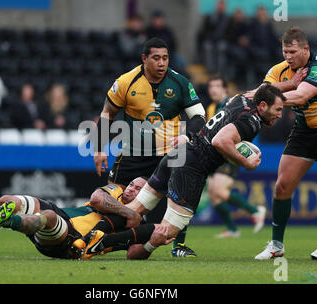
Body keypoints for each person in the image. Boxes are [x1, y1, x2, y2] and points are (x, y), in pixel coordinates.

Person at [83, 84, 285, 260]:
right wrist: (245, 163)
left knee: (134, 209)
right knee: (166, 231)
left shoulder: (241, 99)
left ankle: (88, 236)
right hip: (192, 168)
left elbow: (254, 93)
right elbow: (220, 141)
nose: (280, 115)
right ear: (262, 106)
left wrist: (290, 84)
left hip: (179, 154)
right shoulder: (252, 121)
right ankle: (103, 243)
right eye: (277, 109)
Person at [93, 37, 207, 257]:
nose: (162, 63)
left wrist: (186, 135)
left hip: (168, 154)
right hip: (132, 154)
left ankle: (178, 246)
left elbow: (199, 116)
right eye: (156, 58)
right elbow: (107, 113)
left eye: (165, 58)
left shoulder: (180, 83)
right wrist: (99, 148)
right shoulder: (126, 82)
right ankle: (101, 239)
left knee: (183, 195)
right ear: (144, 58)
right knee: (114, 200)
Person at [252, 27, 317, 261]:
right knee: (282, 186)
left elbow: (300, 96)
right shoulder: (279, 70)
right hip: (303, 130)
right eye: (285, 51)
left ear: (305, 49)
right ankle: (276, 245)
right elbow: (263, 91)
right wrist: (264, 94)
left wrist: (267, 98)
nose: (288, 56)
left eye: (293, 51)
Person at [0, 177, 171, 260]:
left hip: (73, 242)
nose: (130, 189)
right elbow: (97, 199)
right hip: (63, 215)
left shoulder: (141, 224)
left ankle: (9, 222)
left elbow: (133, 253)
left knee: (48, 218)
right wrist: (129, 211)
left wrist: (152, 243)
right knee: (6, 201)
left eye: (138, 188)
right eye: (131, 184)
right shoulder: (116, 192)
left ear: (148, 194)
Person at [205, 74, 266, 238]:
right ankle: (232, 229)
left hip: (229, 152)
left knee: (219, 190)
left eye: (217, 86)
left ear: (225, 89)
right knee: (213, 193)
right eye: (211, 87)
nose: (213, 90)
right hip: (215, 153)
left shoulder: (230, 103)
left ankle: (255, 211)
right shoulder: (211, 108)